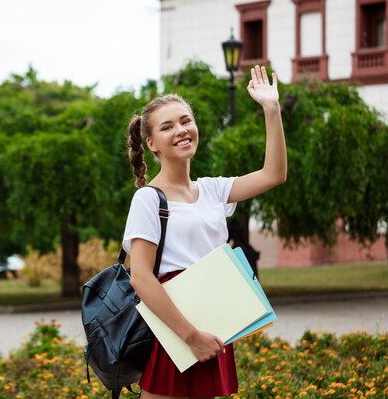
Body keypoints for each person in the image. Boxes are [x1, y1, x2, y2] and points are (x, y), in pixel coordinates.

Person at [122, 65, 287, 399]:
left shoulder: (213, 190)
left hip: (213, 322)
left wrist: (271, 109)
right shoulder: (148, 199)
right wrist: (190, 336)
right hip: (174, 329)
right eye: (167, 127)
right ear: (152, 143)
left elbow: (274, 174)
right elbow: (141, 278)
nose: (181, 130)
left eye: (186, 121)